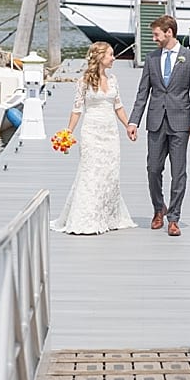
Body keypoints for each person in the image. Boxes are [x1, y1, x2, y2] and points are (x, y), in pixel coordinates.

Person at [126, 15, 190, 237]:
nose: (154, 39)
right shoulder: (151, 58)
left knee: (178, 172)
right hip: (156, 121)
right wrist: (134, 121)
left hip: (181, 122)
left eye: (156, 34)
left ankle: (174, 218)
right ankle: (158, 208)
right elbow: (143, 92)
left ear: (169, 32)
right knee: (153, 169)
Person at [50, 42, 137, 235]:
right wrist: (68, 132)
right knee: (90, 172)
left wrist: (128, 125)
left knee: (109, 173)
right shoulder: (84, 82)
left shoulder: (113, 79)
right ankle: (86, 218)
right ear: (100, 57)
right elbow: (77, 109)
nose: (113, 58)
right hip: (91, 132)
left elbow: (118, 106)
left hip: (110, 133)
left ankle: (107, 216)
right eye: (111, 55)